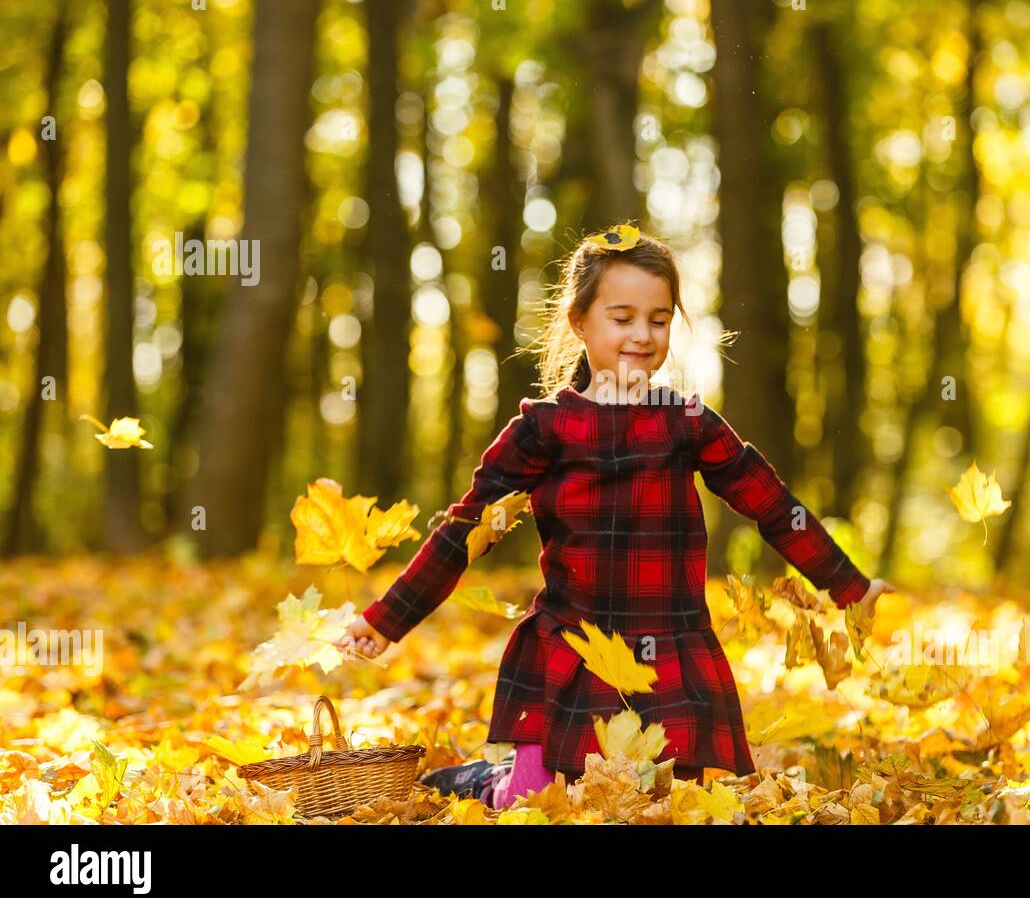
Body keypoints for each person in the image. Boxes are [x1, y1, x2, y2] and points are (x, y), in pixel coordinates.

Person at [335, 222, 894, 810]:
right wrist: (384, 619)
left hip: (670, 656)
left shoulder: (689, 422)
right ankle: (484, 780)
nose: (643, 336)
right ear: (580, 322)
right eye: (622, 318)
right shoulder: (543, 431)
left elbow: (774, 507)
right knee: (534, 803)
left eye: (659, 319)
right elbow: (462, 536)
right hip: (573, 650)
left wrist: (848, 585)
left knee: (665, 807)